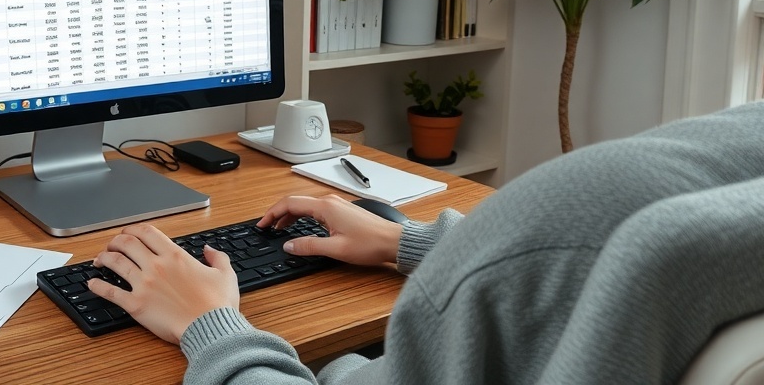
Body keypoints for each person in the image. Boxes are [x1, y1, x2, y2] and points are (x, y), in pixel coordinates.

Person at [87, 101, 764, 384]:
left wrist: (212, 328)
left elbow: (573, 256)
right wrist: (408, 244)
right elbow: (564, 264)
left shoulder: (653, 256)